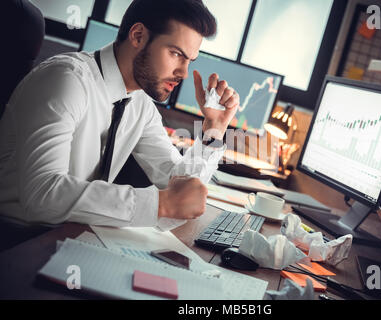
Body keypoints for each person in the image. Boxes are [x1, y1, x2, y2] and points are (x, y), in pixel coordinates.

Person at [0, 0, 239, 230]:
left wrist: (213, 131)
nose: (183, 73)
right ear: (138, 36)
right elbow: (43, 194)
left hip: (71, 235)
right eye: (176, 53)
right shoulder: (66, 80)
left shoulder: (139, 103)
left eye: (189, 60)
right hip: (17, 238)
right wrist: (161, 204)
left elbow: (177, 185)